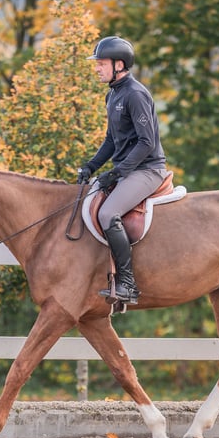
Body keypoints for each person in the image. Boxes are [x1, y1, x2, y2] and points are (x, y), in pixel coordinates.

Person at [77, 36, 168, 305]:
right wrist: (91, 166)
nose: (97, 68)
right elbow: (110, 140)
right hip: (128, 169)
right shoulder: (113, 93)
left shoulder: (135, 94)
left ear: (119, 64)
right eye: (97, 63)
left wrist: (118, 172)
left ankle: (127, 283)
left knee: (108, 213)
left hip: (147, 169)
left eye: (101, 63)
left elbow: (146, 142)